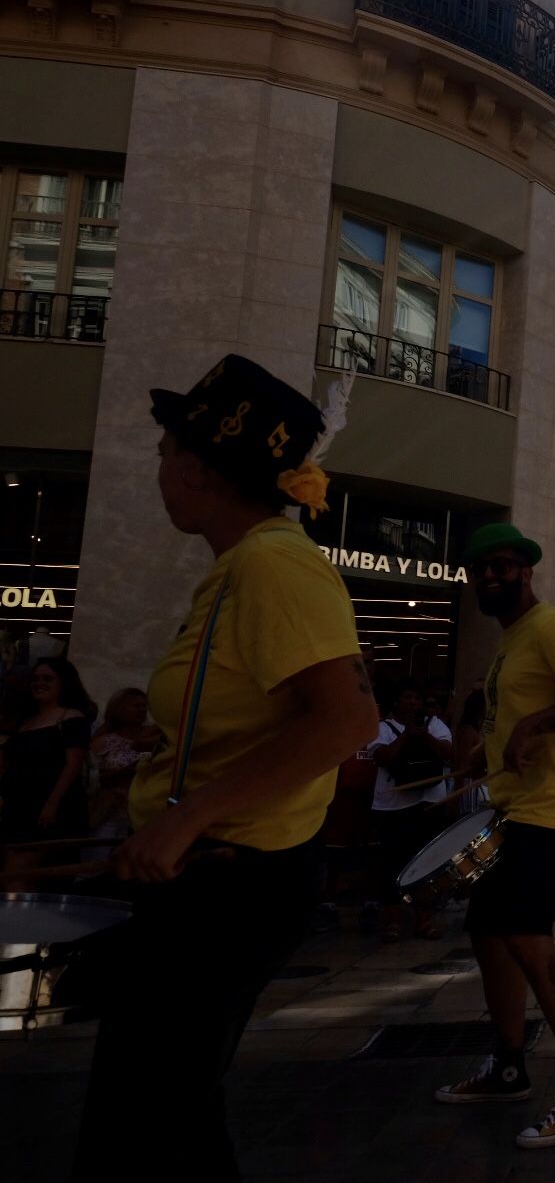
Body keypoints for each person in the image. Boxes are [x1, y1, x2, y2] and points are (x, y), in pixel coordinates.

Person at [74, 354, 380, 1179]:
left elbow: (349, 717)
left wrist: (183, 816)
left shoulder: (273, 563)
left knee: (135, 1132)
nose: (160, 466)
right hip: (215, 879)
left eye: (169, 450)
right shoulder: (246, 565)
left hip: (229, 884)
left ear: (205, 469)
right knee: (174, 1125)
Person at [431, 521, 555, 1150]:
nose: (491, 576)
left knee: (526, 935)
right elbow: (507, 721)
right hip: (512, 809)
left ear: (526, 573)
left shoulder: (553, 627)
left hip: (549, 811)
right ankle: (509, 1065)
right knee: (488, 934)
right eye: (480, 568)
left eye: (503, 566)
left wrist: (536, 724)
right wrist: (481, 756)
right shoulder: (510, 642)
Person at [0, 656, 98, 885]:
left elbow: (72, 764)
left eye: (47, 678)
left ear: (63, 682)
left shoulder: (71, 718)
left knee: (17, 876)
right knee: (13, 872)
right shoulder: (25, 721)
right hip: (18, 807)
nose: (39, 683)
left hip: (48, 805)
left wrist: (52, 804)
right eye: (35, 679)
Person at [368, 681, 453, 941]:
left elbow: (450, 753)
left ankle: (424, 920)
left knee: (427, 864)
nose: (413, 703)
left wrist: (424, 733)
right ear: (396, 702)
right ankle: (392, 921)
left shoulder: (435, 724)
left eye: (417, 697)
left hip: (428, 803)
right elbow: (382, 757)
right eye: (408, 697)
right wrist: (406, 734)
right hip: (394, 807)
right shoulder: (382, 728)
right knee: (392, 864)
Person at [87, 687, 161, 841]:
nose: (142, 710)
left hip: (144, 812)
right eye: (136, 706)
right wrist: (124, 772)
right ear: (119, 708)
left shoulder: (154, 736)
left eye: (144, 705)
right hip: (109, 812)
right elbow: (90, 777)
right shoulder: (104, 741)